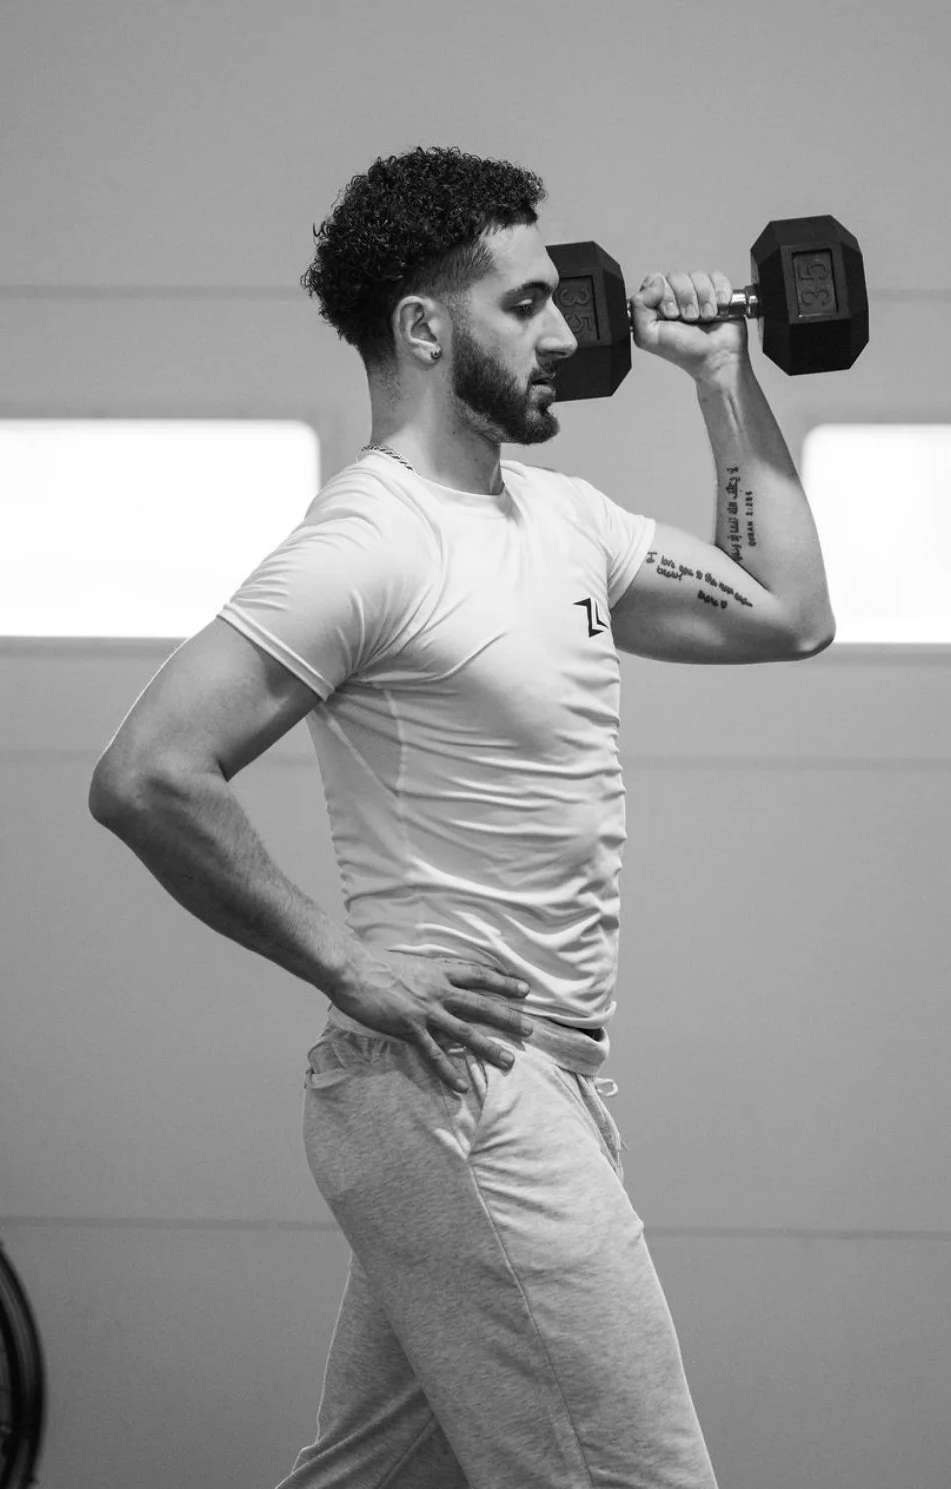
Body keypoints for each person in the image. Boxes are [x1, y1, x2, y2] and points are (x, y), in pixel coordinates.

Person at [88, 145, 835, 1489]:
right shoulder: (370, 544)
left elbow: (785, 613)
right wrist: (348, 962)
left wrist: (726, 379)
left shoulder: (561, 520)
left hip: (535, 1083)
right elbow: (147, 773)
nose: (561, 332)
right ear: (425, 327)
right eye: (524, 303)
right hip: (464, 1098)